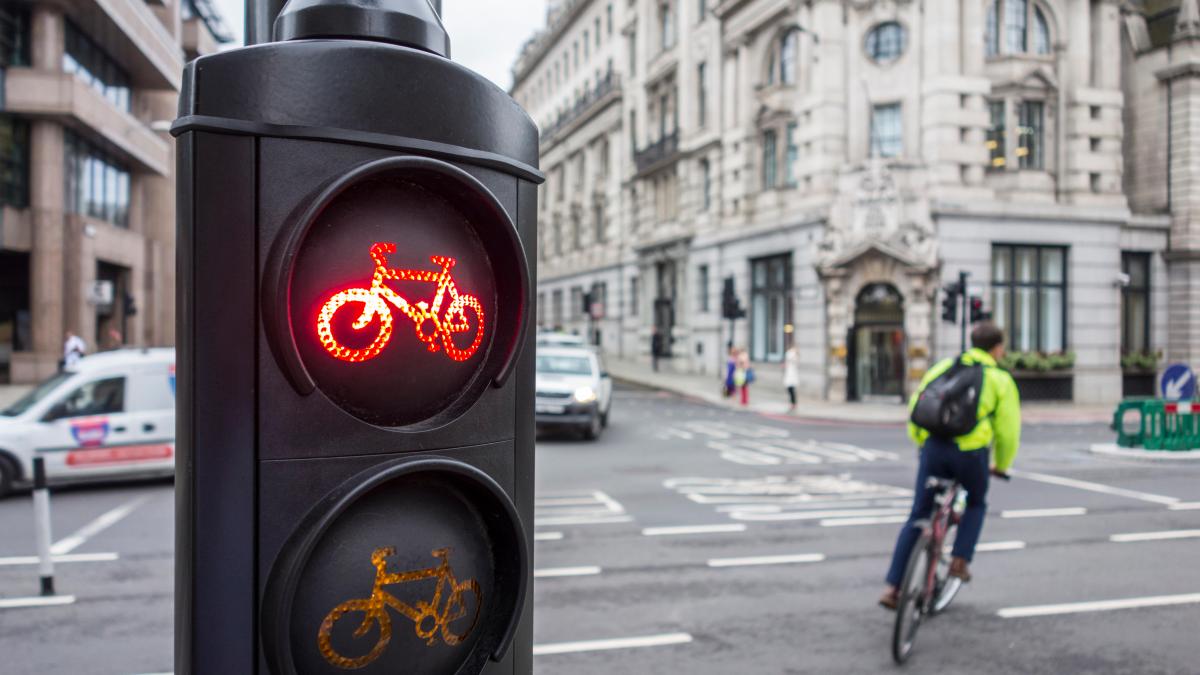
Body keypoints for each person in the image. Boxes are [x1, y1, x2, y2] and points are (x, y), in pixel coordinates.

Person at [879, 322, 1021, 610]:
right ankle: (959, 560)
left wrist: (921, 441)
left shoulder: (945, 366)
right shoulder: (999, 379)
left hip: (934, 449)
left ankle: (893, 588)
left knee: (918, 515)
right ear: (997, 348)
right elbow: (1008, 432)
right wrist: (1001, 465)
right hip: (970, 454)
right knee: (977, 503)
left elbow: (918, 405)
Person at [783, 343, 800, 412]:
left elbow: (795, 362)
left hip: (792, 374)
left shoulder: (793, 354)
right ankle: (792, 404)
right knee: (789, 389)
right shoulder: (790, 353)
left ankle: (793, 404)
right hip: (789, 373)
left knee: (791, 389)